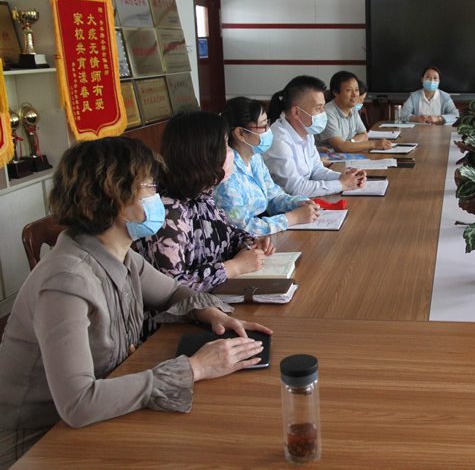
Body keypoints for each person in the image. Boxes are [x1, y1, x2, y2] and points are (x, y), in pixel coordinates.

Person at [0, 137, 271, 468]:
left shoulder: (119, 253)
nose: (157, 197)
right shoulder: (66, 282)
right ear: (115, 198)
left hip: (104, 410)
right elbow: (78, 403)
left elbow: (172, 293)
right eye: (149, 188)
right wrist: (194, 368)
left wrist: (212, 313)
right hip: (40, 442)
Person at [136, 111, 275, 293]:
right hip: (189, 309)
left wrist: (249, 242)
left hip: (217, 298)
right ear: (202, 153)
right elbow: (170, 289)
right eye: (225, 145)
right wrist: (234, 267)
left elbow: (227, 233)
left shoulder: (202, 196)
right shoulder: (168, 211)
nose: (231, 153)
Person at [214, 96, 321, 236]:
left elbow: (273, 196)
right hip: (244, 242)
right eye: (263, 126)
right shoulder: (227, 172)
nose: (268, 130)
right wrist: (293, 218)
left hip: (264, 236)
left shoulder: (255, 158)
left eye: (267, 124)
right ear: (240, 133)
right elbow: (242, 227)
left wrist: (298, 203)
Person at [264, 75, 367, 197]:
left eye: (323, 107)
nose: (323, 113)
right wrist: (342, 184)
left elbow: (316, 170)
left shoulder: (306, 132)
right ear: (297, 112)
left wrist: (346, 177)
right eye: (318, 108)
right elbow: (295, 188)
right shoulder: (278, 140)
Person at [317, 71, 392, 153]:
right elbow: (340, 147)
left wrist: (350, 143)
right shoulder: (327, 113)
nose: (355, 94)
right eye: (349, 90)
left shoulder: (352, 108)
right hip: (329, 158)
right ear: (335, 92)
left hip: (347, 155)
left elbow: (364, 135)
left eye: (356, 90)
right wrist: (373, 144)